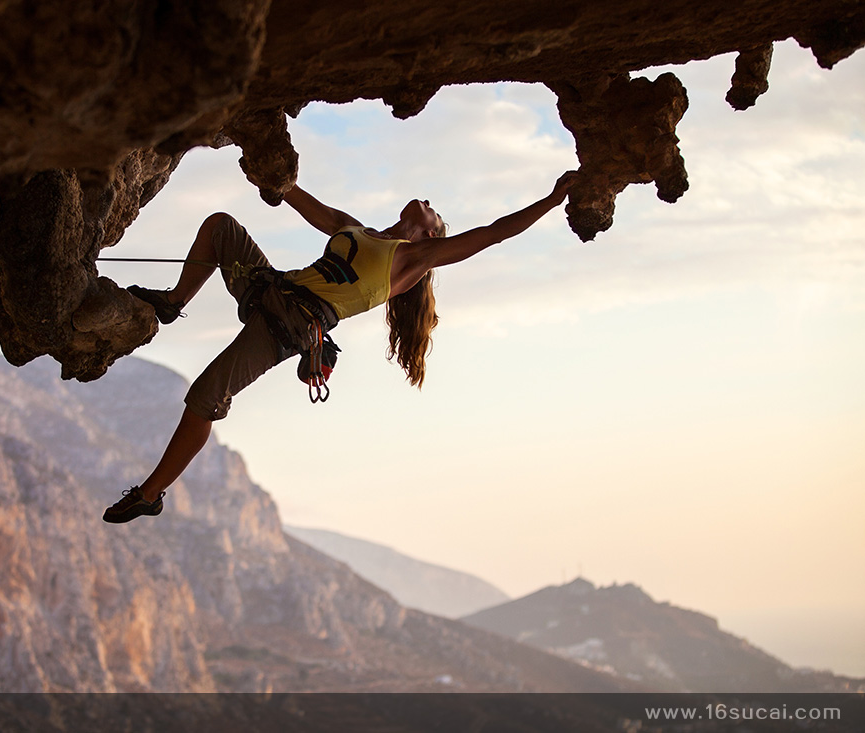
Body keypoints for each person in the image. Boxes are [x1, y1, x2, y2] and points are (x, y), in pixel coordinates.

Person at [103, 171, 580, 523]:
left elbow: (494, 233)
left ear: (433, 233)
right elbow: (297, 197)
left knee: (205, 396)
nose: (429, 202)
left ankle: (152, 494)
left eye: (435, 211)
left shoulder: (413, 259)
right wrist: (270, 171)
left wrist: (553, 198)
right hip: (273, 288)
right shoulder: (358, 230)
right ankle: (173, 302)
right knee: (220, 227)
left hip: (289, 326)